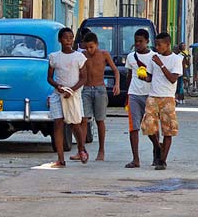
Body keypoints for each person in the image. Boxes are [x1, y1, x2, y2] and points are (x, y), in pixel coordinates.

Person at [47, 27, 88, 168]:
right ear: (60, 40)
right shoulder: (54, 57)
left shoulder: (79, 57)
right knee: (58, 124)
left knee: (74, 123)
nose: (68, 41)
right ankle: (60, 158)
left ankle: (81, 148)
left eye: (70, 38)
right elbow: (49, 78)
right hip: (58, 94)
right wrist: (57, 86)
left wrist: (73, 90)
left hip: (73, 95)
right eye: (65, 38)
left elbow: (84, 78)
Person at [141, 32, 182, 170]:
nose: (157, 47)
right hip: (153, 95)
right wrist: (143, 77)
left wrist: (161, 65)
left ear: (168, 44)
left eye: (160, 45)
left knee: (168, 130)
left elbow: (172, 79)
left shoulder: (176, 59)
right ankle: (158, 147)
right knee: (148, 126)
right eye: (156, 45)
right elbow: (151, 77)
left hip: (168, 97)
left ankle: (162, 160)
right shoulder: (154, 58)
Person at [78, 31, 120, 161]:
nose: (89, 50)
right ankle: (82, 150)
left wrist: (117, 84)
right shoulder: (82, 56)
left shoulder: (104, 54)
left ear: (96, 44)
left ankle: (101, 150)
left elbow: (115, 70)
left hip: (100, 89)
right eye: (87, 47)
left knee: (100, 120)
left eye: (92, 47)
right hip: (86, 89)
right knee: (84, 119)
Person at [124, 28, 155, 168]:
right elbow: (129, 76)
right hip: (134, 95)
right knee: (133, 127)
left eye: (141, 41)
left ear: (147, 41)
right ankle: (135, 159)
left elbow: (157, 78)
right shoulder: (131, 57)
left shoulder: (154, 57)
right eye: (136, 41)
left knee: (151, 128)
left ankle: (157, 150)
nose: (138, 44)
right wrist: (126, 95)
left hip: (150, 95)